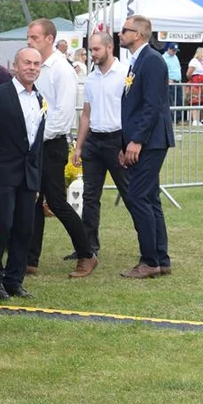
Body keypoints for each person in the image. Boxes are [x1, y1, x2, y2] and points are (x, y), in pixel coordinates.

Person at [26, 18, 92, 275]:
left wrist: (36, 137)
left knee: (56, 201)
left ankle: (87, 253)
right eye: (29, 37)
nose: (30, 41)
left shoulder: (61, 70)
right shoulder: (37, 67)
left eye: (34, 37)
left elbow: (63, 114)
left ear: (49, 39)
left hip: (51, 143)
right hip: (36, 142)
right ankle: (31, 258)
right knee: (34, 201)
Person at [0, 47, 45, 299]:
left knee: (24, 228)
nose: (31, 67)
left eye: (36, 64)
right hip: (4, 171)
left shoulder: (40, 99)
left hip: (29, 174)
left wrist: (38, 178)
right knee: (3, 226)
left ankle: (14, 280)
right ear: (15, 65)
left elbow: (37, 142)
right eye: (27, 63)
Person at [118, 15, 175, 278]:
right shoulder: (138, 60)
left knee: (138, 196)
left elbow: (152, 105)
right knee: (150, 198)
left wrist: (137, 140)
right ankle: (160, 259)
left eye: (125, 30)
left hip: (150, 141)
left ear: (138, 34)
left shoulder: (151, 61)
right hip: (144, 139)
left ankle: (150, 260)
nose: (120, 34)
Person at [68, 31, 128, 276]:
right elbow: (86, 114)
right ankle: (89, 248)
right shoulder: (91, 78)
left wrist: (127, 143)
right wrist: (79, 146)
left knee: (131, 194)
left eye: (96, 50)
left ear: (109, 47)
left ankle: (149, 249)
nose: (92, 54)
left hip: (117, 141)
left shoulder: (125, 74)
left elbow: (131, 112)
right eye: (90, 50)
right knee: (90, 197)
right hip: (94, 140)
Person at [186, 47, 203, 128]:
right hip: (196, 83)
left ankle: (201, 119)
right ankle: (195, 120)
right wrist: (193, 80)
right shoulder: (193, 61)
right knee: (195, 102)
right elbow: (188, 74)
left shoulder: (202, 62)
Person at [163, 43, 183, 119]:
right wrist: (168, 79)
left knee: (179, 100)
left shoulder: (175, 57)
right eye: (173, 50)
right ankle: (170, 118)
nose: (175, 52)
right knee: (170, 101)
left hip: (178, 82)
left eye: (176, 51)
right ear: (169, 49)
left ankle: (177, 118)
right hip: (170, 83)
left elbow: (178, 69)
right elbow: (163, 71)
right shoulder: (163, 58)